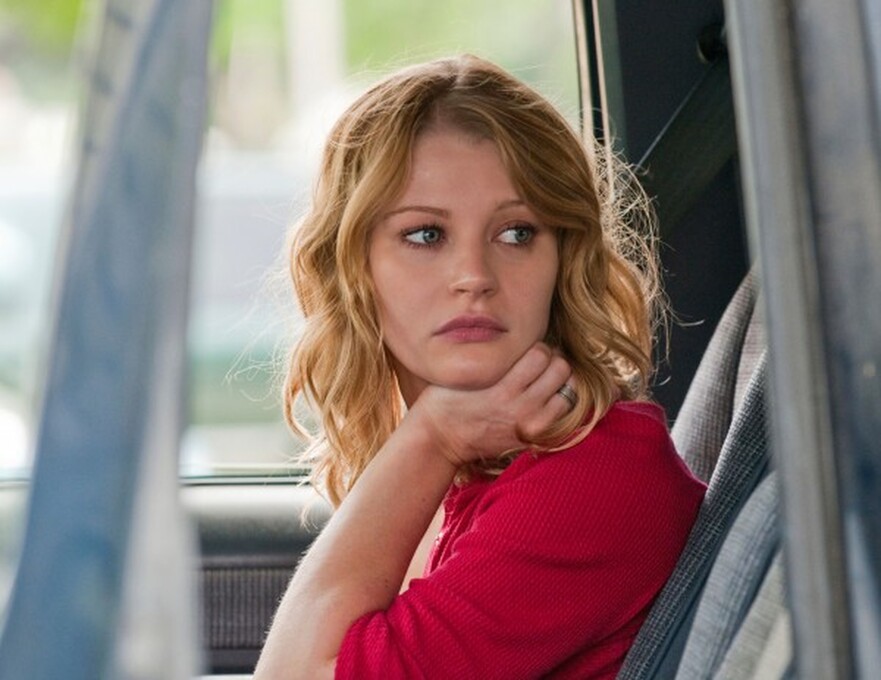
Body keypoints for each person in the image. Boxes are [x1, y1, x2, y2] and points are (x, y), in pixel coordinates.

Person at [254, 54, 705, 680]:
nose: (474, 276)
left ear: (563, 260)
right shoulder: (470, 462)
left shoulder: (594, 477)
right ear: (354, 267)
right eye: (426, 235)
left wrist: (433, 435)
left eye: (517, 233)